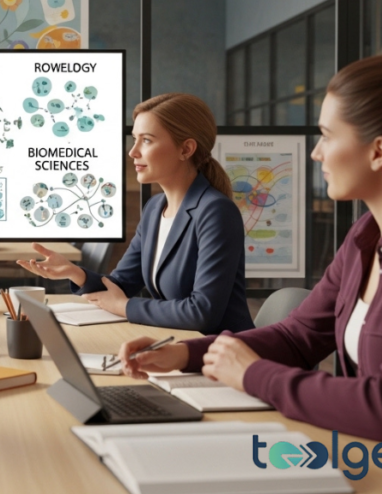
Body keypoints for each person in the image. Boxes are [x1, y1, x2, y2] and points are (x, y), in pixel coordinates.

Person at [117, 46, 382, 489]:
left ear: (379, 151)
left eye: (327, 136)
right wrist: (187, 354)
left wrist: (251, 374)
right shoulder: (367, 234)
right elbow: (297, 336)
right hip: (368, 463)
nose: (315, 154)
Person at [18, 93, 254, 335]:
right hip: (177, 345)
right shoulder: (154, 208)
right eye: (134, 139)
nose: (133, 152)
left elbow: (201, 312)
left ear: (186, 149)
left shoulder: (216, 212)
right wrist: (74, 272)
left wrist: (125, 307)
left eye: (147, 140)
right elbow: (121, 285)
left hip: (224, 356)